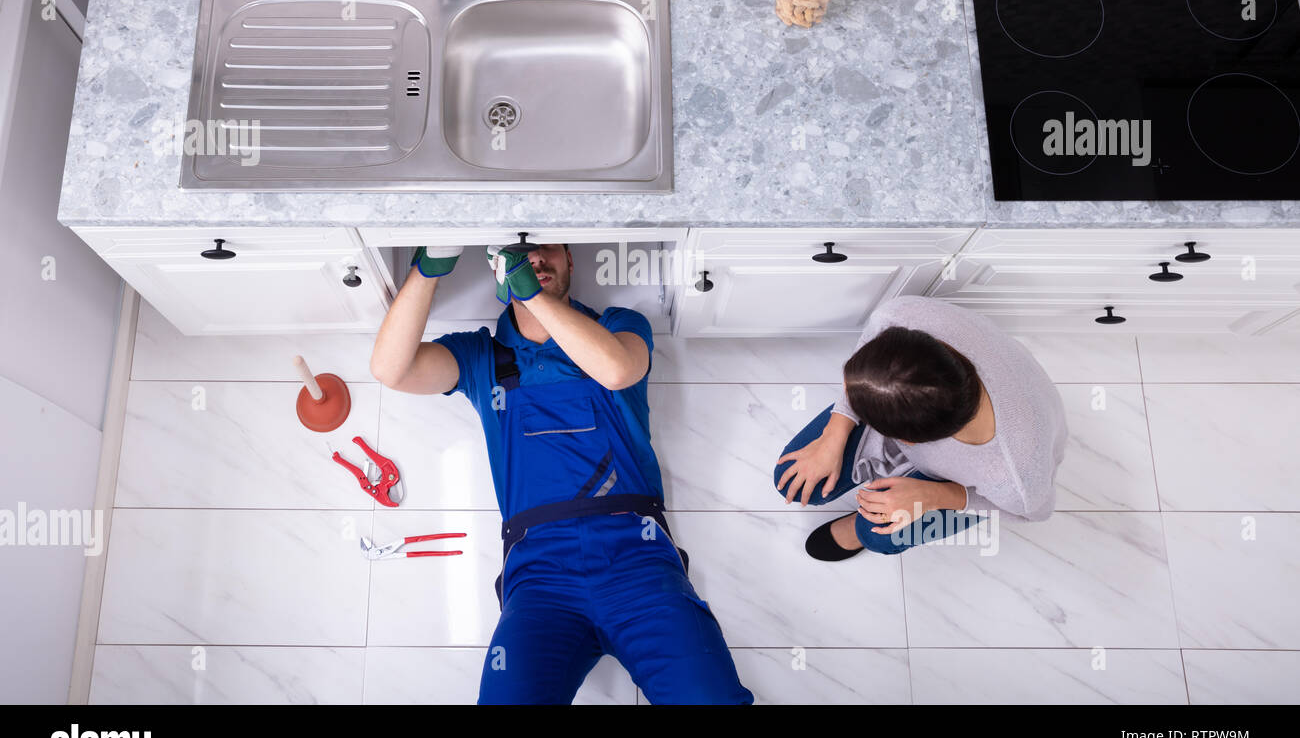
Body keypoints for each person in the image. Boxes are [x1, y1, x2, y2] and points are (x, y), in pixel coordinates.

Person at [370, 242, 753, 704]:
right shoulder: (480, 357)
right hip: (539, 579)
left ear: (570, 259)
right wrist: (431, 265)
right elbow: (391, 370)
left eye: (544, 250)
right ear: (496, 270)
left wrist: (529, 294)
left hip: (639, 562)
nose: (532, 260)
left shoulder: (617, 326)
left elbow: (616, 370)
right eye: (517, 255)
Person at [774, 295, 1067, 558]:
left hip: (964, 477)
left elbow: (1032, 514)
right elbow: (868, 351)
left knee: (877, 534)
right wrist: (834, 432)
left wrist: (936, 496)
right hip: (928, 408)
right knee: (793, 481)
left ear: (908, 441)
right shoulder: (902, 317)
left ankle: (860, 528)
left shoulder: (1015, 477)